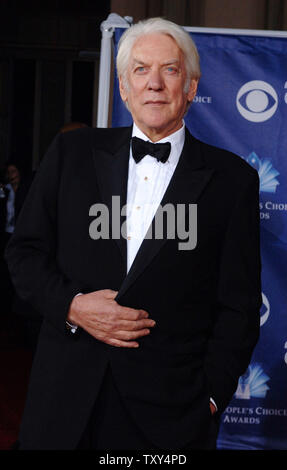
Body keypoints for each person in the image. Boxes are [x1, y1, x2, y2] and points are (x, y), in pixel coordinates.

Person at [5, 17, 262, 450]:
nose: (154, 84)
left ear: (192, 87)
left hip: (171, 414)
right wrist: (72, 306)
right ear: (123, 88)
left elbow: (238, 305)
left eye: (170, 70)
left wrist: (212, 398)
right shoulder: (71, 154)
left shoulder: (232, 180)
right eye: (141, 70)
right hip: (64, 401)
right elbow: (25, 253)